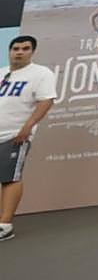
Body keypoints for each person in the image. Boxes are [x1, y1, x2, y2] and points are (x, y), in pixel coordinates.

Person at [0, 35, 57, 241]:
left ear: (32, 52)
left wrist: (28, 127)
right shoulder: (2, 73)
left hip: (14, 135)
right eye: (16, 48)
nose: (19, 52)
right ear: (10, 51)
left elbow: (46, 101)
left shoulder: (41, 74)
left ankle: (5, 225)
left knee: (10, 177)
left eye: (25, 48)